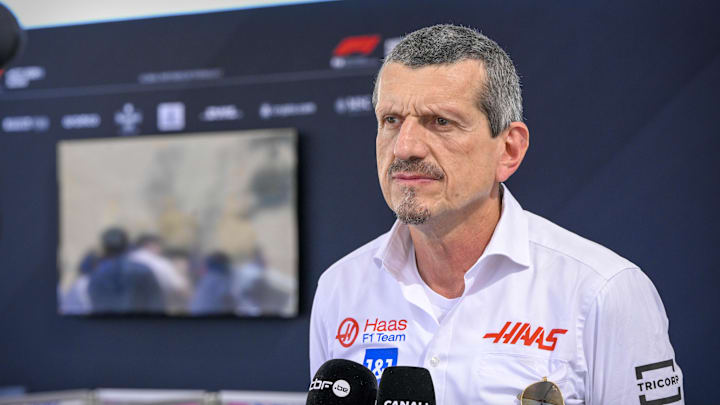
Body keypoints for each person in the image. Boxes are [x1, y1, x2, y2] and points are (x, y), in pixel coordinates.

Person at [309, 25, 683, 404]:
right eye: (391, 120)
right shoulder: (340, 288)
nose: (405, 147)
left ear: (509, 150)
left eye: (440, 122)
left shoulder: (603, 292)